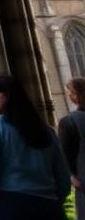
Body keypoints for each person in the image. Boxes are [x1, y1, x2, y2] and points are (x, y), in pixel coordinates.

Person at [0, 74, 69, 220]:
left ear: (8, 95)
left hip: (10, 205)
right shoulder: (47, 131)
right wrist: (56, 200)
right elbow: (62, 174)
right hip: (50, 206)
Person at [60, 77, 85, 220]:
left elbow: (64, 154)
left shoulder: (69, 122)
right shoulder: (69, 121)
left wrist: (71, 175)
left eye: (72, 92)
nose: (69, 96)